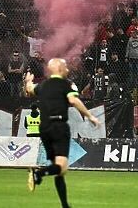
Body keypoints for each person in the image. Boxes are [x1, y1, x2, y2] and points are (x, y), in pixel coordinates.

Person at [25, 58, 100, 208]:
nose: (67, 69)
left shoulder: (43, 85)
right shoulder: (66, 84)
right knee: (62, 167)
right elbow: (74, 100)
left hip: (44, 128)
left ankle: (65, 205)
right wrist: (89, 115)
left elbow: (29, 89)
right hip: (58, 126)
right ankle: (39, 173)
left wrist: (27, 80)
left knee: (58, 169)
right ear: (59, 68)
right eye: (65, 66)